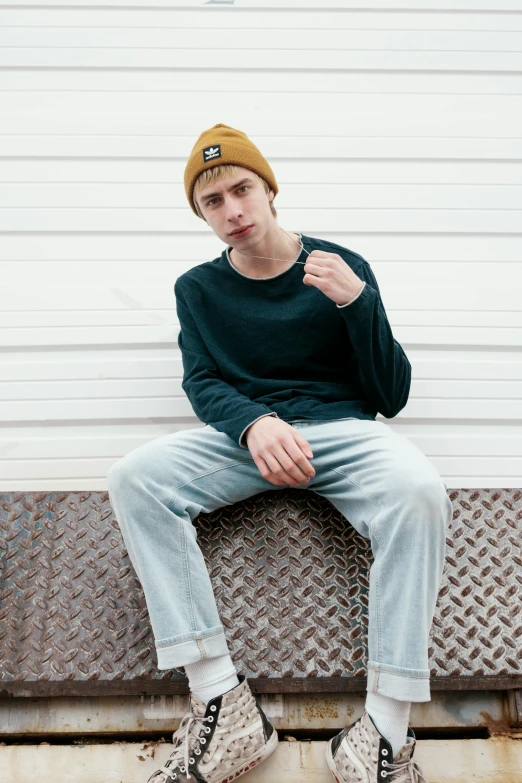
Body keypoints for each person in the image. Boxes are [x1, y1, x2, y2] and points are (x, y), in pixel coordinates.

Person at [107, 123, 452, 783]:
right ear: (202, 213)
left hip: (342, 432)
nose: (232, 210)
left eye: (241, 189)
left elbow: (391, 393)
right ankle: (220, 698)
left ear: (269, 189)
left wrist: (359, 304)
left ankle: (383, 729)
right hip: (249, 440)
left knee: (419, 492)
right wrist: (252, 422)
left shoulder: (339, 264)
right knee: (137, 477)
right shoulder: (197, 290)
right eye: (213, 201)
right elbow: (203, 382)